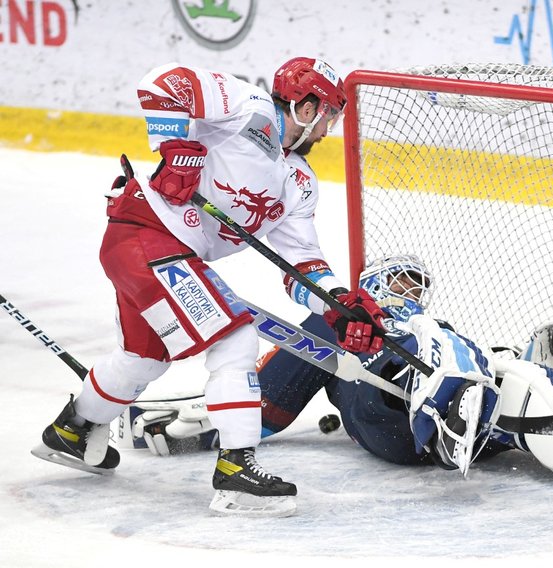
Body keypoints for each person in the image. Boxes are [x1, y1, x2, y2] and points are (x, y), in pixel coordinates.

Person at [31, 57, 388, 517]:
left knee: (143, 357)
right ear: (307, 106)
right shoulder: (249, 107)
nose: (327, 131)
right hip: (146, 232)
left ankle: (73, 432)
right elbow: (163, 83)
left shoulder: (300, 182)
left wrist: (337, 303)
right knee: (236, 336)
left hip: (159, 249)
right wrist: (173, 146)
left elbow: (302, 263)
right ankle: (237, 471)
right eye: (329, 117)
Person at [128, 255, 553, 487]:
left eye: (418, 286)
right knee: (321, 332)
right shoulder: (345, 325)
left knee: (519, 377)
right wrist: (204, 425)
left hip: (454, 426)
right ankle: (445, 406)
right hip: (384, 415)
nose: (411, 294)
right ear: (371, 284)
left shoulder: (436, 326)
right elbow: (275, 402)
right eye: (400, 282)